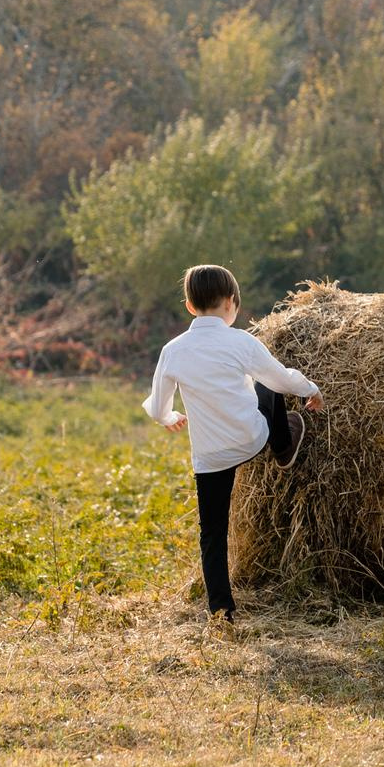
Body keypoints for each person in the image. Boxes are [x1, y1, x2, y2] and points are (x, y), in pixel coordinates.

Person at [142, 263, 322, 624]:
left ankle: (221, 611)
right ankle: (284, 446)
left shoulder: (173, 350)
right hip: (250, 437)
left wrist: (168, 417)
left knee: (212, 533)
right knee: (266, 384)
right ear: (231, 303)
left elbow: (159, 403)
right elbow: (280, 378)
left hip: (210, 456)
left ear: (190, 306)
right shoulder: (241, 341)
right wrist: (310, 389)